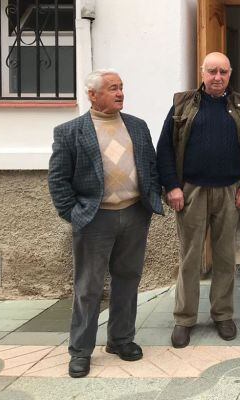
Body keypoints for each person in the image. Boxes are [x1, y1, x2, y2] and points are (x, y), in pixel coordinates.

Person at [48, 69, 163, 378]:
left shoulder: (137, 127)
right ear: (93, 95)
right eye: (113, 88)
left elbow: (150, 165)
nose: (120, 93)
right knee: (89, 286)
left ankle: (121, 340)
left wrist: (149, 201)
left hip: (134, 214)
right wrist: (73, 215)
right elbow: (58, 180)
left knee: (128, 279)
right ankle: (81, 351)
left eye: (122, 87)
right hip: (94, 218)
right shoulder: (70, 132)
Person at [156, 52, 240, 348]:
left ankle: (223, 314)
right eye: (212, 71)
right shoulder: (183, 104)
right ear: (202, 73)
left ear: (231, 74)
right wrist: (172, 187)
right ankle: (184, 318)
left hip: (230, 190)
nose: (218, 77)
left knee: (226, 256)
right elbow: (165, 148)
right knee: (190, 257)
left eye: (223, 72)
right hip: (191, 191)